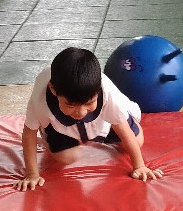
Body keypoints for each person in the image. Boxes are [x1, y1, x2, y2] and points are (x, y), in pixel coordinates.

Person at [14, 47, 163, 191]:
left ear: (98, 90)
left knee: (137, 142)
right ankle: (49, 136)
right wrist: (32, 174)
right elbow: (29, 133)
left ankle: (125, 120)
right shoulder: (40, 101)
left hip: (102, 121)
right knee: (66, 157)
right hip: (60, 126)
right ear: (53, 90)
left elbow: (121, 127)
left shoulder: (108, 94)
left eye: (89, 103)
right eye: (70, 105)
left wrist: (139, 166)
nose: (80, 112)